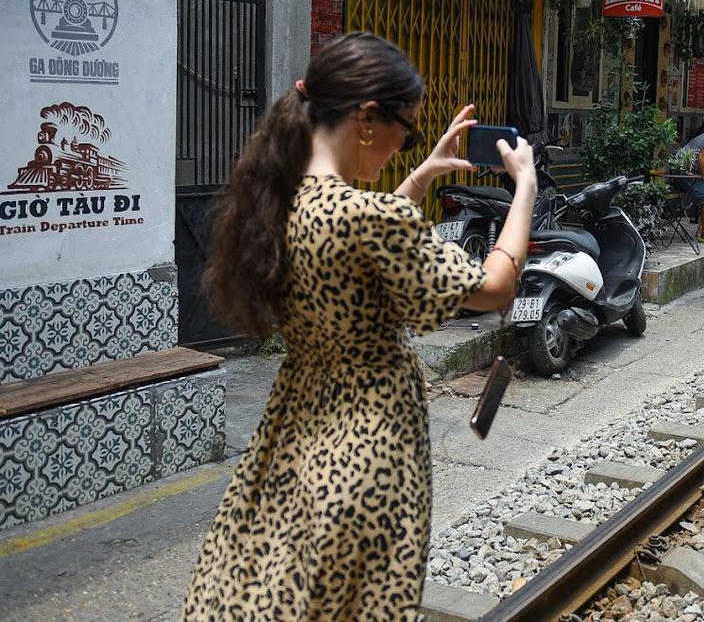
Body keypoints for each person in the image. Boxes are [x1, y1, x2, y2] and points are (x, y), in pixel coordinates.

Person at [183, 33, 537, 619]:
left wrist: (424, 172)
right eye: (409, 130)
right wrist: (523, 187)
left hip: (295, 433)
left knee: (282, 592)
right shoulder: (369, 218)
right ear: (368, 120)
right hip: (367, 447)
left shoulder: (281, 201)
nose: (405, 147)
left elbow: (357, 254)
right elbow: (495, 286)